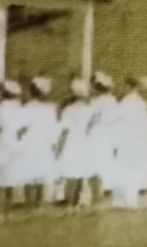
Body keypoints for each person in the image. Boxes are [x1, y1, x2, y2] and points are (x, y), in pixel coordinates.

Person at [0, 79, 27, 224]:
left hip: (2, 145)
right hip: (16, 145)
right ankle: (8, 212)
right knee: (10, 180)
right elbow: (24, 128)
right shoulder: (21, 109)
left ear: (3, 93)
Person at [113, 77, 147, 208]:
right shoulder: (139, 102)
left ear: (129, 87)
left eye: (123, 86)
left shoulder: (128, 102)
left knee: (127, 169)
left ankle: (127, 200)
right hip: (136, 140)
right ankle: (127, 200)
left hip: (129, 140)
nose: (121, 89)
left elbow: (118, 120)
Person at [56, 78, 95, 214]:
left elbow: (64, 131)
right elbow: (92, 127)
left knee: (71, 175)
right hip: (85, 143)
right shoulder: (91, 109)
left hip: (72, 143)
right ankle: (76, 203)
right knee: (79, 175)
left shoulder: (69, 110)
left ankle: (69, 205)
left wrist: (58, 148)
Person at [20, 77, 58, 215]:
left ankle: (30, 205)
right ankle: (38, 204)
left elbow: (22, 128)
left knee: (30, 175)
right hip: (44, 144)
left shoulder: (27, 108)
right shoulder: (50, 109)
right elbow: (53, 129)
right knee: (40, 174)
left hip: (30, 144)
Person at [88, 71, 119, 206]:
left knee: (95, 163)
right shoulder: (113, 100)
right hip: (110, 133)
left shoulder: (96, 102)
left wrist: (87, 130)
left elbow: (92, 119)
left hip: (99, 133)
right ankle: (108, 189)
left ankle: (97, 194)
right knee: (107, 161)